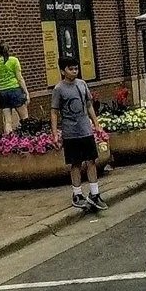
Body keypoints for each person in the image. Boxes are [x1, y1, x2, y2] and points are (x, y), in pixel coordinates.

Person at [49, 56, 105, 212]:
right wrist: (55, 133)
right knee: (75, 162)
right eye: (70, 69)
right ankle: (77, 193)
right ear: (62, 71)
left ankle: (95, 193)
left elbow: (89, 105)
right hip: (70, 132)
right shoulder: (59, 89)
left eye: (76, 68)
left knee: (91, 160)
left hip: (85, 129)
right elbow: (54, 112)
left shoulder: (82, 84)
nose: (74, 71)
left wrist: (96, 124)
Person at [0, 44, 28, 132]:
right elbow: (20, 78)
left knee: (7, 121)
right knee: (24, 118)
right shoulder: (14, 60)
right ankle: (27, 139)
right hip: (15, 90)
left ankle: (8, 142)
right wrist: (26, 91)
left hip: (2, 92)